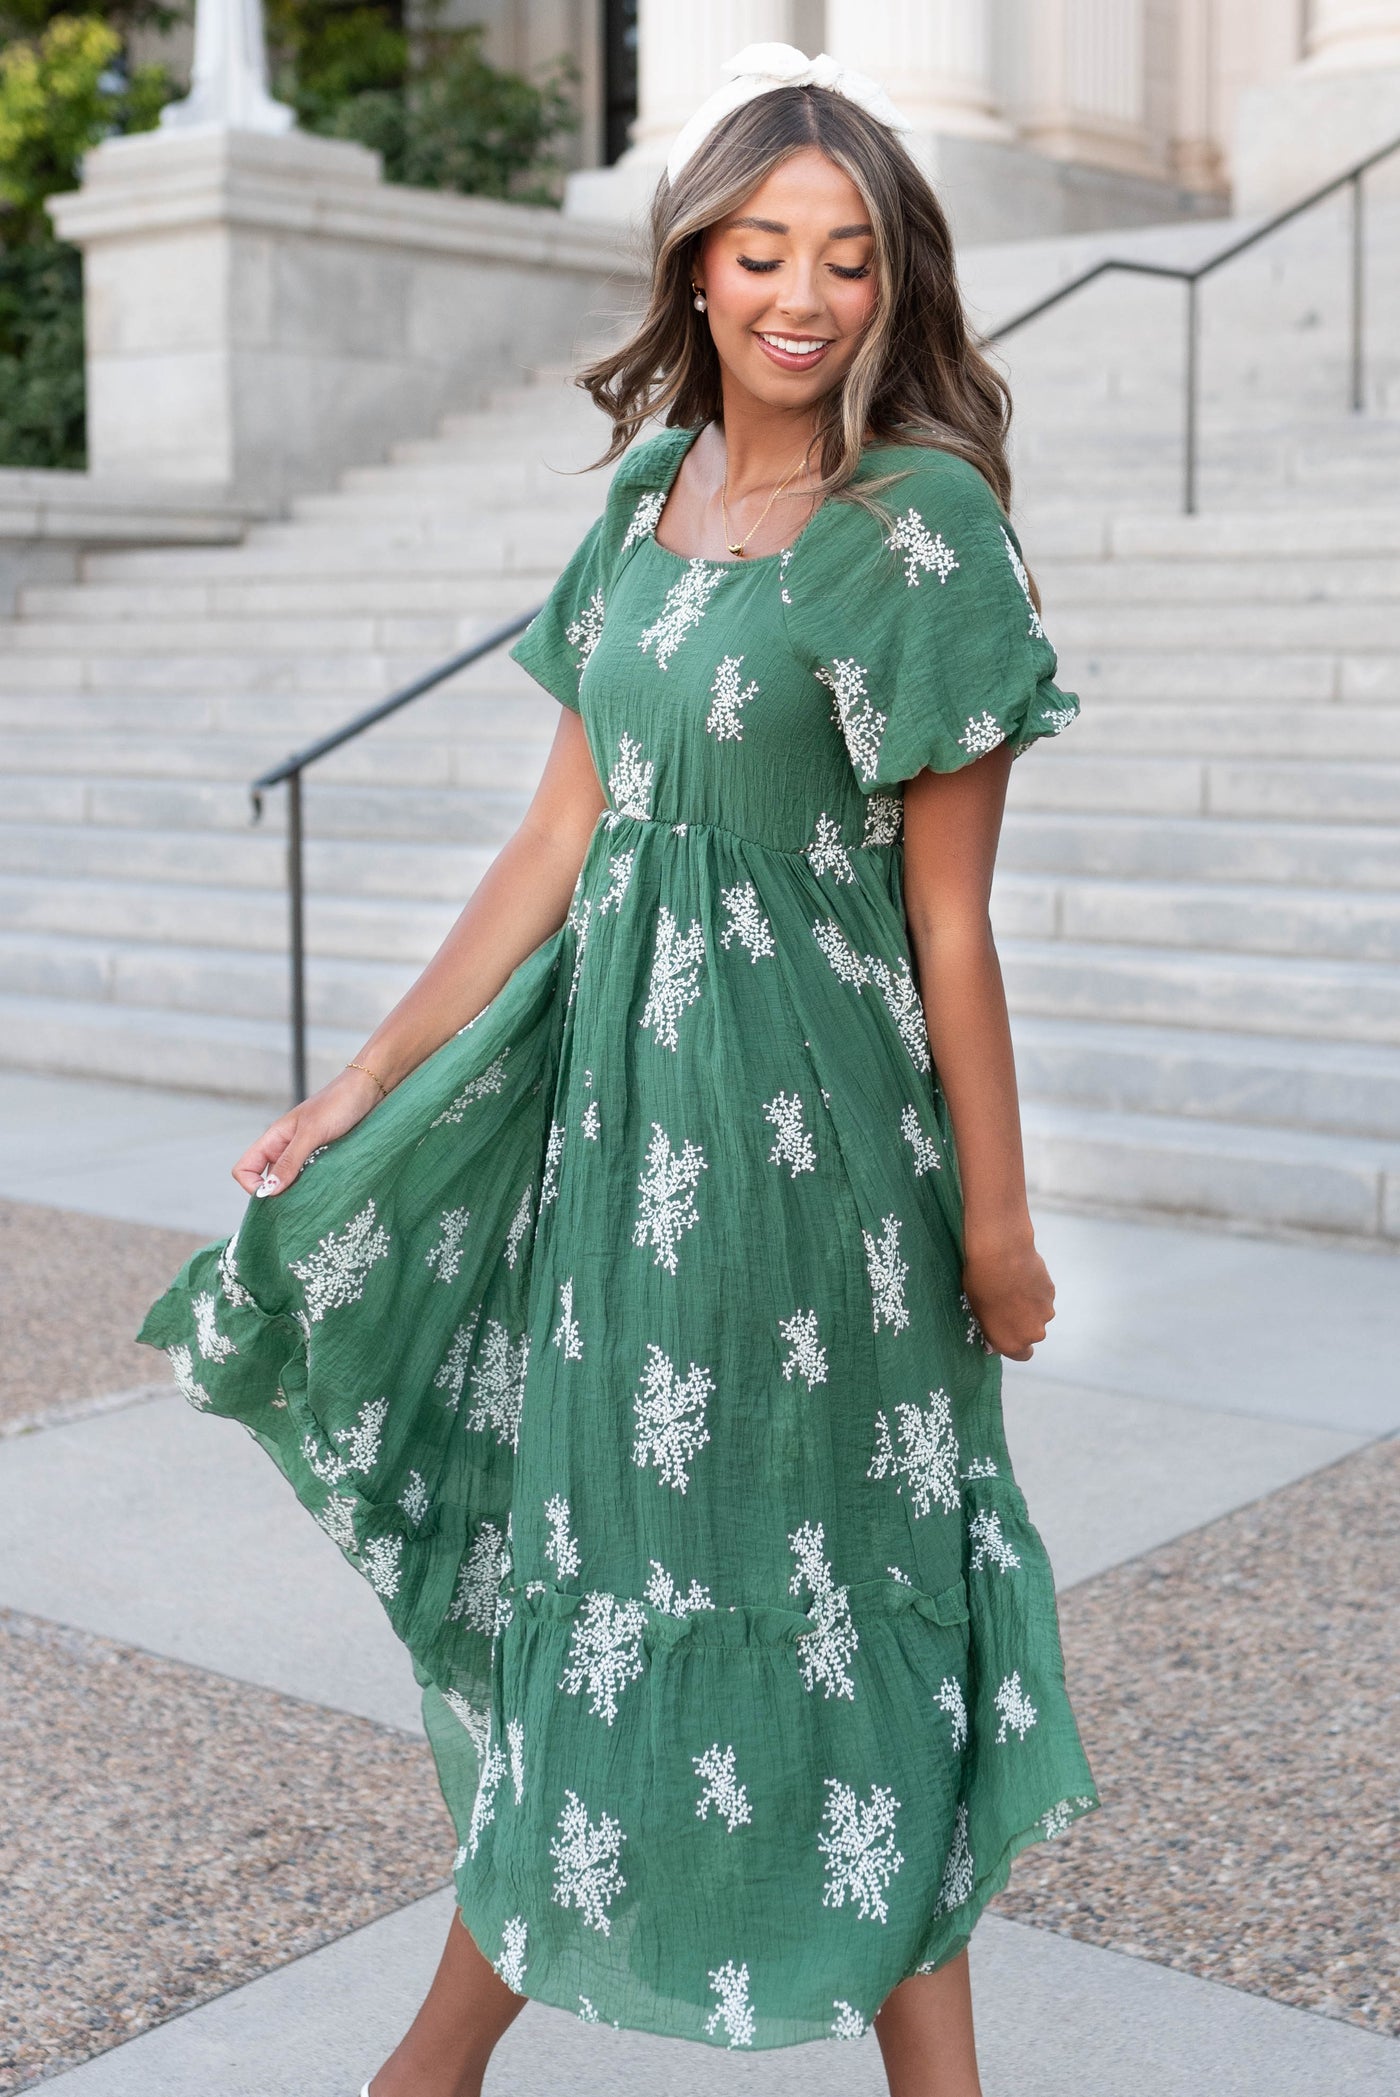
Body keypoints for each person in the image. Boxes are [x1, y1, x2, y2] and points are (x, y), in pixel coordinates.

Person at [139, 42, 1099, 2097]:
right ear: (692, 268)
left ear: (896, 283)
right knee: (614, 1577)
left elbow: (951, 924)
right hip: (625, 1147)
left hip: (828, 1162)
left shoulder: (922, 531)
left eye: (846, 258)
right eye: (761, 250)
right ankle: (438, 2063)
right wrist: (363, 1076)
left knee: (847, 1583)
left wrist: (998, 1232)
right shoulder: (642, 512)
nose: (801, 295)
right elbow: (555, 838)